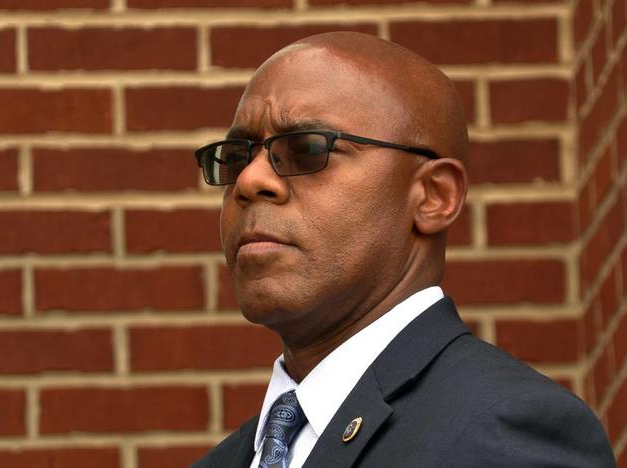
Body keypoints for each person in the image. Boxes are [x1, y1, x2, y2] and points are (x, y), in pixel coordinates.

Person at [191, 32, 615, 468]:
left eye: (306, 149)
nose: (248, 181)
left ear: (434, 196)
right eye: (237, 158)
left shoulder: (505, 430)